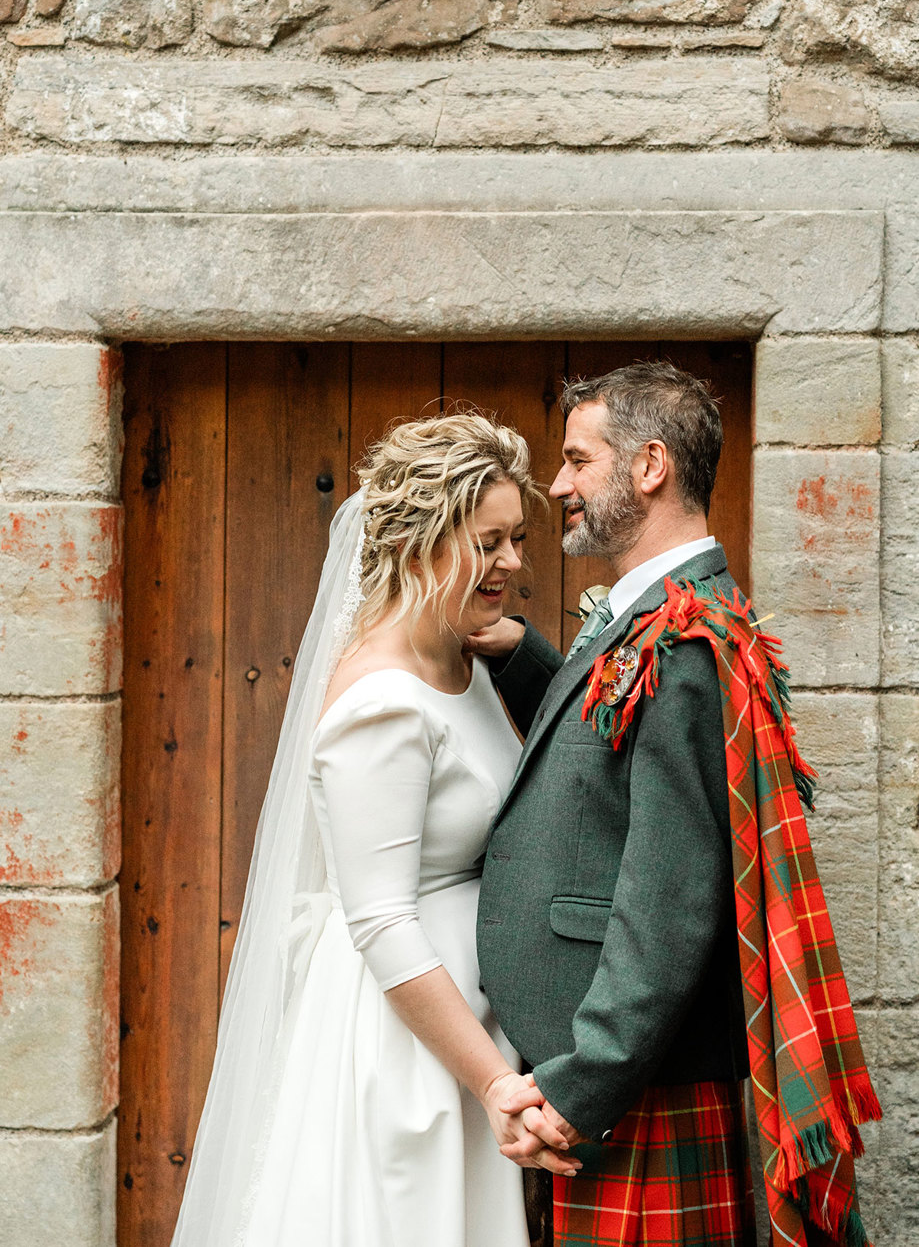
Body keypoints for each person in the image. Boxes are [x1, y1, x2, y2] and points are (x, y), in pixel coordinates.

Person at [474, 362, 880, 1247]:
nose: (558, 484)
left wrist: (582, 1090)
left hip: (626, 1088)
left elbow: (668, 904)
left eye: (578, 459)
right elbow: (616, 744)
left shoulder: (687, 639)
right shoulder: (661, 615)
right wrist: (520, 655)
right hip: (617, 1082)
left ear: (649, 465)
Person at [169, 412, 574, 1247]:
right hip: (408, 1047)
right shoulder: (382, 706)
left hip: (466, 1029)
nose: (513, 563)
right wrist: (495, 1083)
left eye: (516, 538)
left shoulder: (462, 659)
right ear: (423, 541)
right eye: (489, 541)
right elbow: (382, 921)